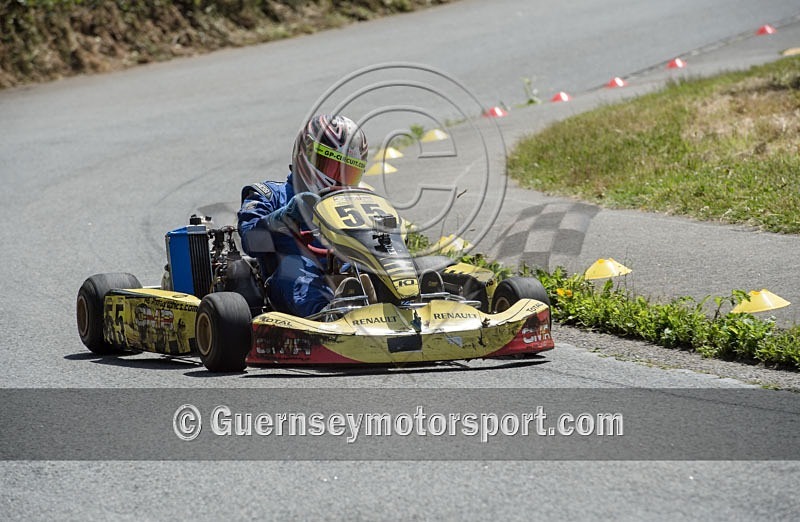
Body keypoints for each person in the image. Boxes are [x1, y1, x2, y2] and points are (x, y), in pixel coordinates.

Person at [237, 114, 370, 317]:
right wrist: (284, 217)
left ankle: (411, 301)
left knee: (369, 264)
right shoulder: (269, 195)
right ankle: (327, 317)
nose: (340, 180)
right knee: (297, 267)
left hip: (346, 274)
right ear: (306, 157)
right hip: (289, 280)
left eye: (349, 172)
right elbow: (250, 241)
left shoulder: (357, 203)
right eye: (334, 168)